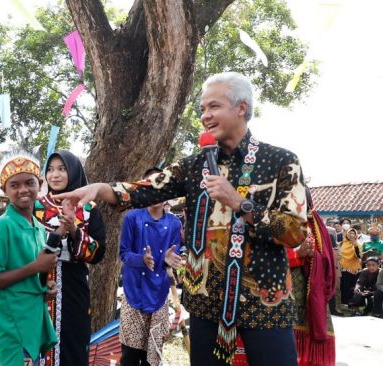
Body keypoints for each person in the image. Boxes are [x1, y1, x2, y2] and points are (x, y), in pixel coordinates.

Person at [54, 72, 308, 366]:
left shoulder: (281, 161)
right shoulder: (193, 166)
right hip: (206, 302)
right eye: (202, 109)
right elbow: (145, 190)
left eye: (213, 107)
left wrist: (239, 203)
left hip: (265, 299)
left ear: (241, 107)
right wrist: (101, 189)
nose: (205, 116)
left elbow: (295, 232)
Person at [0, 151, 58, 365]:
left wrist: (47, 286)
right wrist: (35, 267)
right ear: (4, 190)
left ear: (39, 185)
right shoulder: (2, 226)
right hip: (13, 325)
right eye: (14, 185)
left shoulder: (39, 228)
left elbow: (33, 275)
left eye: (29, 183)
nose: (23, 190)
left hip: (34, 320)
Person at [34, 150, 107, 366]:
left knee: (73, 343)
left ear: (74, 172)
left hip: (74, 287)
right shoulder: (35, 206)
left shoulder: (88, 209)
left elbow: (98, 253)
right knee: (38, 344)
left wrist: (74, 228)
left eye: (62, 169)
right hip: (38, 284)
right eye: (50, 169)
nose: (54, 175)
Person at [118, 167, 184, 366]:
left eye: (161, 186)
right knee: (130, 355)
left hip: (158, 293)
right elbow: (124, 254)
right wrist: (142, 259)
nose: (155, 192)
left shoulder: (173, 222)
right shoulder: (132, 217)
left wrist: (168, 259)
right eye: (150, 186)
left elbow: (173, 253)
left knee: (153, 354)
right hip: (133, 291)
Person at [285, 188, 336, 366]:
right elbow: (265, 256)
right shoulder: (275, 222)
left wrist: (312, 255)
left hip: (311, 288)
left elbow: (328, 259)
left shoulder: (315, 224)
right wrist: (297, 253)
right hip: (283, 287)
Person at [338, 228, 361, 305]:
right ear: (346, 234)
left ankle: (355, 304)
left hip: (355, 269)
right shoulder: (342, 244)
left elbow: (359, 256)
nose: (351, 235)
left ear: (356, 235)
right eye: (349, 233)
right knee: (345, 287)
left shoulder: (358, 243)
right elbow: (339, 256)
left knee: (354, 287)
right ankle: (345, 303)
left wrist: (355, 245)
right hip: (344, 269)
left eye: (353, 233)